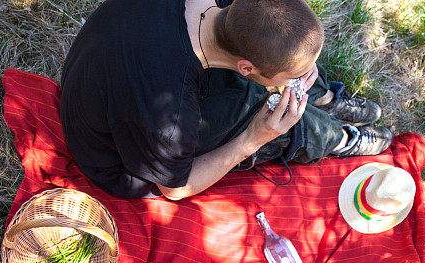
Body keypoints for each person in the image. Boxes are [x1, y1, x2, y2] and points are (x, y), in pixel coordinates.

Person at [60, 0, 392, 200]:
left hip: (115, 75)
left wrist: (302, 62)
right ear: (245, 67)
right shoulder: (170, 118)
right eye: (294, 77)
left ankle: (324, 100)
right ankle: (337, 137)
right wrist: (254, 138)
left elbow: (277, 28)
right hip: (118, 161)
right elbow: (175, 190)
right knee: (258, 110)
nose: (296, 78)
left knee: (282, 48)